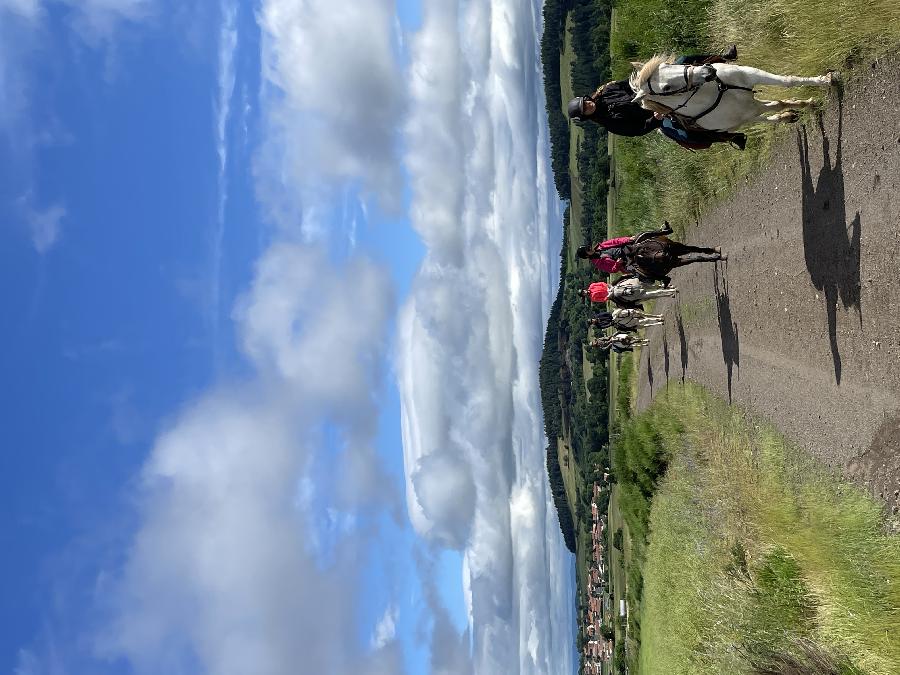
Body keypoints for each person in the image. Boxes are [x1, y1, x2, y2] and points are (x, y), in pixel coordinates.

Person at [567, 46, 746, 149]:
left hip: (652, 91)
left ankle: (722, 57)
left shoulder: (605, 90)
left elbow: (627, 83)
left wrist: (646, 77)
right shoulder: (610, 123)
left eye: (585, 102)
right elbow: (636, 130)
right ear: (586, 116)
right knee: (686, 136)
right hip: (657, 113)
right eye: (585, 109)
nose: (588, 105)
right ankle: (730, 138)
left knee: (683, 60)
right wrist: (654, 119)